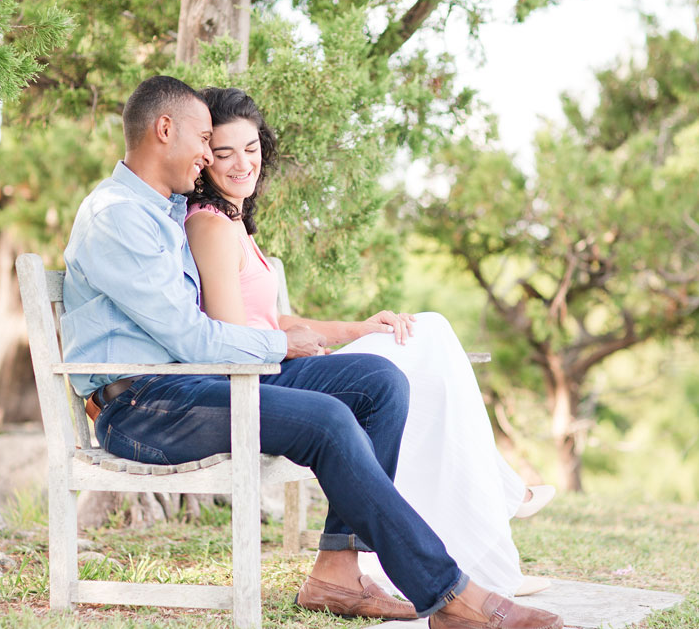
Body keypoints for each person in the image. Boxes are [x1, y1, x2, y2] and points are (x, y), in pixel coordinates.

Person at [60, 75, 563, 629]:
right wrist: (281, 343)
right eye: (206, 140)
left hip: (192, 384)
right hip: (142, 406)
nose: (208, 155)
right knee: (327, 419)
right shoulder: (119, 217)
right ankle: (451, 596)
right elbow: (192, 337)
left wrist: (301, 338)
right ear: (163, 130)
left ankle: (336, 574)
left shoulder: (167, 210)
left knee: (380, 383)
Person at [184, 86, 557, 598]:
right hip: (265, 378)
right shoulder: (210, 225)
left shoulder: (234, 223)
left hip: (282, 363)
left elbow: (276, 316)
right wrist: (292, 340)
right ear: (205, 161)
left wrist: (360, 328)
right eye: (225, 153)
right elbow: (235, 337)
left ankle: (485, 516)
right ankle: (494, 496)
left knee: (423, 337)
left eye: (251, 149)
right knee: (418, 351)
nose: (242, 163)